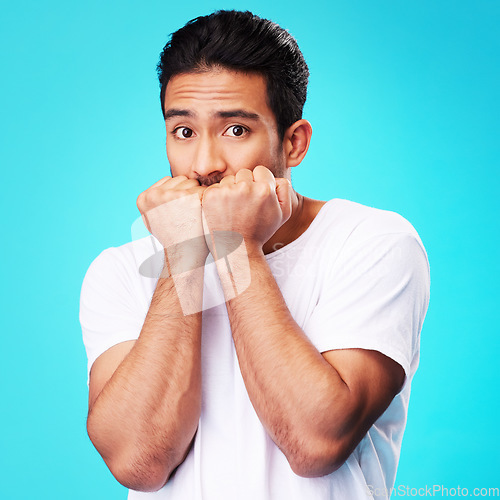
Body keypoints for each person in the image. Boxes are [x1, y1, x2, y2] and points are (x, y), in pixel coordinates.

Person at [80, 10, 430, 500]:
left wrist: (236, 245)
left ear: (294, 141)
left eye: (236, 131)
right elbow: (138, 462)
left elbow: (315, 443)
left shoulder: (373, 242)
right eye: (183, 132)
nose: (204, 164)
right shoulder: (118, 270)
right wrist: (183, 253)